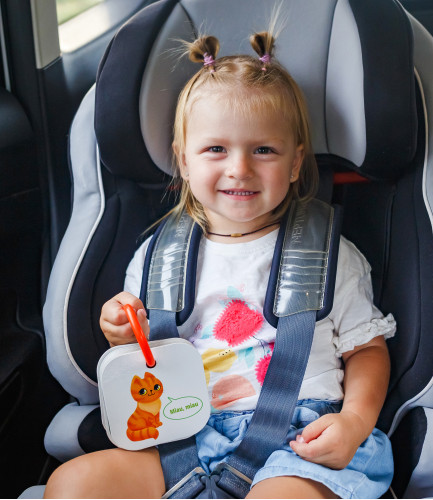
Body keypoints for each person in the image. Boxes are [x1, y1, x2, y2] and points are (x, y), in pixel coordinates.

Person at [44, 31, 396, 499]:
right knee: (73, 484)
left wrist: (353, 421)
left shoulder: (329, 256)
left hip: (298, 442)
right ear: (184, 161)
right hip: (181, 435)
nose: (239, 168)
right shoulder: (156, 257)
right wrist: (124, 335)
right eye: (216, 149)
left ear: (295, 163)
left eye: (263, 150)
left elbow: (366, 350)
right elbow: (145, 357)